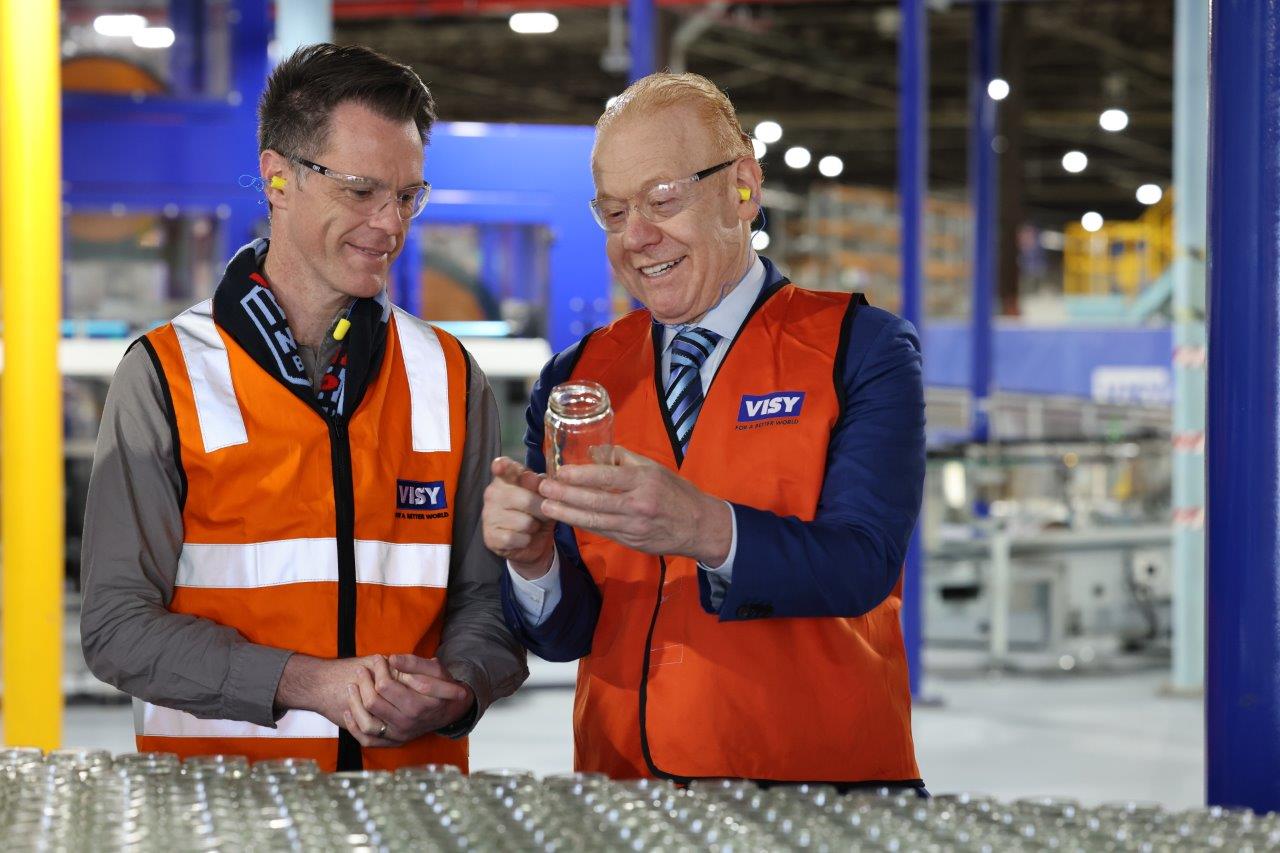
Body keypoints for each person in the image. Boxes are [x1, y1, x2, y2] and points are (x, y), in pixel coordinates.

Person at [81, 43, 526, 772]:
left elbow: (488, 601)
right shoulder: (166, 375)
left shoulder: (448, 375)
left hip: (409, 814)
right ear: (278, 177)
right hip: (220, 817)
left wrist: (459, 685)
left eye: (408, 194)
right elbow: (119, 628)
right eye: (361, 191)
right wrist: (310, 682)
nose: (389, 223)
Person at [483, 72, 925, 787]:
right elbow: (563, 635)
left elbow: (863, 564)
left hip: (816, 795)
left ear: (742, 185)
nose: (638, 236)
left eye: (662, 199)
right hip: (623, 791)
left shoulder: (857, 347)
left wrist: (706, 528)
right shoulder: (578, 376)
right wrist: (532, 561)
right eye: (614, 210)